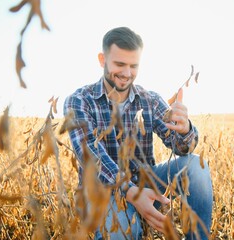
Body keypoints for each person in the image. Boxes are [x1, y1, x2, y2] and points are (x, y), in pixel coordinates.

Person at [63, 26, 213, 240]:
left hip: (145, 179)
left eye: (134, 66)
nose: (127, 73)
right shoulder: (78, 101)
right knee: (123, 231)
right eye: (119, 64)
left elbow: (182, 148)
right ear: (102, 59)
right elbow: (90, 155)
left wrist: (185, 129)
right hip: (102, 191)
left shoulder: (149, 99)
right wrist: (131, 192)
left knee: (197, 167)